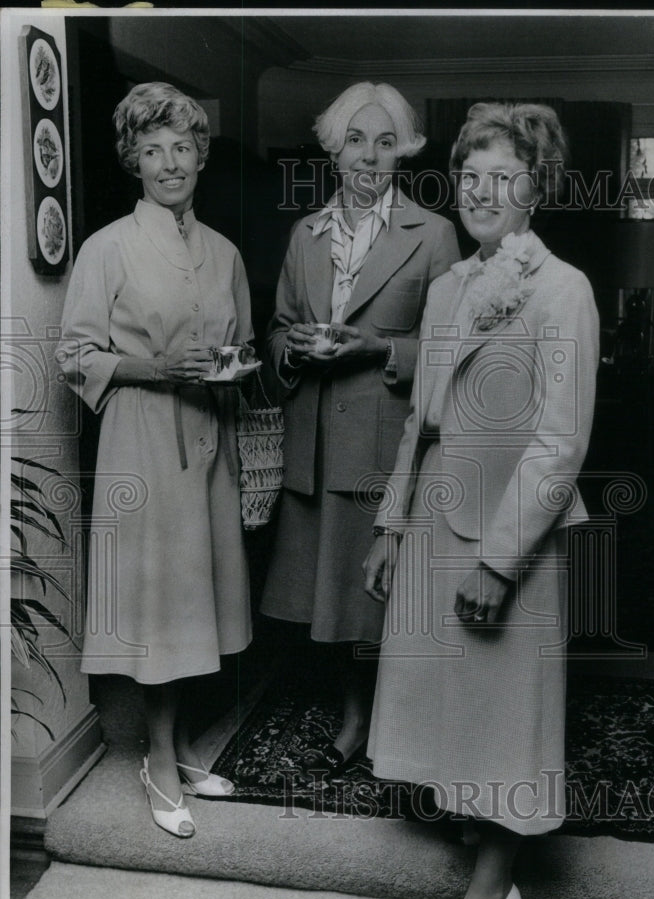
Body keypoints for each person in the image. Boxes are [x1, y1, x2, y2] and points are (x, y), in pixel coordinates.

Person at [363, 102, 599, 899]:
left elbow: (560, 442)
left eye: (503, 176)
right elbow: (420, 423)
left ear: (537, 188)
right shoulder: (449, 286)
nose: (482, 191)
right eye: (470, 175)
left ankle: (494, 891)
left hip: (512, 541)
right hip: (435, 523)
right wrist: (391, 523)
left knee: (507, 722)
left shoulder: (562, 289)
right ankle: (480, 845)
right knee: (457, 707)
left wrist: (500, 564)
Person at [58, 82, 253, 839]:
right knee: (160, 609)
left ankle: (180, 744)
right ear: (132, 160)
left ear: (200, 157)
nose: (169, 163)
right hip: (141, 440)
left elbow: (234, 347)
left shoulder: (225, 252)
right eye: (153, 150)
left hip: (209, 438)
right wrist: (159, 369)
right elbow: (76, 356)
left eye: (182, 148)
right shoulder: (107, 247)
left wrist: (234, 366)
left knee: (197, 603)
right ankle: (160, 758)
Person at [259, 82, 460, 775]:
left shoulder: (433, 234)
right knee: (335, 600)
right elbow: (278, 328)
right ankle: (356, 712)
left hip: (384, 443)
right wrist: (294, 349)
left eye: (385, 142)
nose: (370, 157)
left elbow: (449, 350)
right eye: (355, 141)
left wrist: (375, 349)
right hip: (314, 442)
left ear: (402, 151)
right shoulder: (305, 235)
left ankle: (382, 724)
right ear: (334, 151)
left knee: (381, 596)